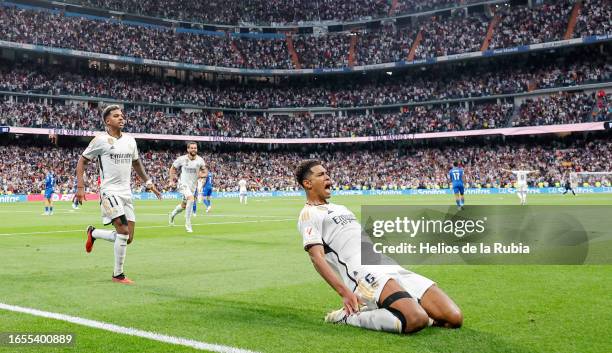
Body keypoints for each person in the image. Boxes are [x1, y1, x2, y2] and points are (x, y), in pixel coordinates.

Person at [295, 160, 462, 334]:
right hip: (363, 273)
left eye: (326, 172)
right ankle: (346, 317)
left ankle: (392, 308)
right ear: (307, 183)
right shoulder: (308, 214)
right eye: (320, 174)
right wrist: (344, 292)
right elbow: (317, 257)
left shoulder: (341, 208)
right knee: (416, 319)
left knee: (453, 317)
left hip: (387, 264)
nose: (327, 176)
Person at [76, 105, 162, 285]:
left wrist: (149, 183)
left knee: (128, 238)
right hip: (109, 192)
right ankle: (118, 274)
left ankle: (94, 233)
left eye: (122, 115)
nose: (121, 118)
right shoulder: (100, 140)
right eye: (116, 116)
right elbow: (82, 161)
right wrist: (80, 187)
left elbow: (137, 164)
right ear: (108, 121)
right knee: (122, 231)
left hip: (126, 193)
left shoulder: (130, 141)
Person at [168, 142, 206, 233]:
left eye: (195, 148)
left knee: (184, 205)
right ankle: (188, 223)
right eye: (192, 148)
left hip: (193, 186)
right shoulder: (182, 159)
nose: (194, 149)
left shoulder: (200, 160)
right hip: (183, 184)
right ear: (188, 149)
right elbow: (173, 168)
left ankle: (172, 215)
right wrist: (171, 180)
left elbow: (205, 172)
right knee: (191, 198)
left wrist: (202, 175)